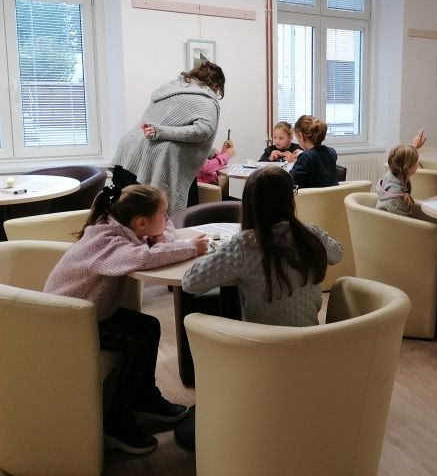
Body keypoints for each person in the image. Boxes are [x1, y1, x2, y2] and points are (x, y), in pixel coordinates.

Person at [177, 167, 343, 452]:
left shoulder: (245, 244)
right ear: (289, 200)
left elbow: (191, 283)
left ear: (249, 204)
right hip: (309, 343)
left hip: (261, 349)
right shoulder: (310, 234)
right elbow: (338, 253)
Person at [43, 185, 208, 455]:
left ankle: (144, 397)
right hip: (67, 322)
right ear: (141, 223)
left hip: (86, 314)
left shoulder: (118, 227)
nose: (167, 219)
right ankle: (117, 420)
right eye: (164, 213)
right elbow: (143, 257)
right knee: (137, 343)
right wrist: (189, 248)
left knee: (150, 326)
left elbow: (163, 232)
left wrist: (161, 236)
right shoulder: (108, 243)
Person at [111, 60, 225, 215]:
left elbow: (177, 126)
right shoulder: (205, 99)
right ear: (216, 85)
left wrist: (209, 151)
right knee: (161, 216)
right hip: (154, 159)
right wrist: (160, 132)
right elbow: (202, 131)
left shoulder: (170, 89)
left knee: (125, 215)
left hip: (128, 152)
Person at [375, 141, 437, 337]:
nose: (418, 165)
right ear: (407, 167)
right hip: (398, 240)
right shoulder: (396, 196)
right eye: (415, 163)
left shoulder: (392, 178)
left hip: (392, 232)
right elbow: (404, 227)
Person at [290, 115, 338, 189]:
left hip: (310, 196)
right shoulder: (332, 152)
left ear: (301, 136)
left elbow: (291, 181)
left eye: (297, 137)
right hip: (330, 195)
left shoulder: (305, 157)